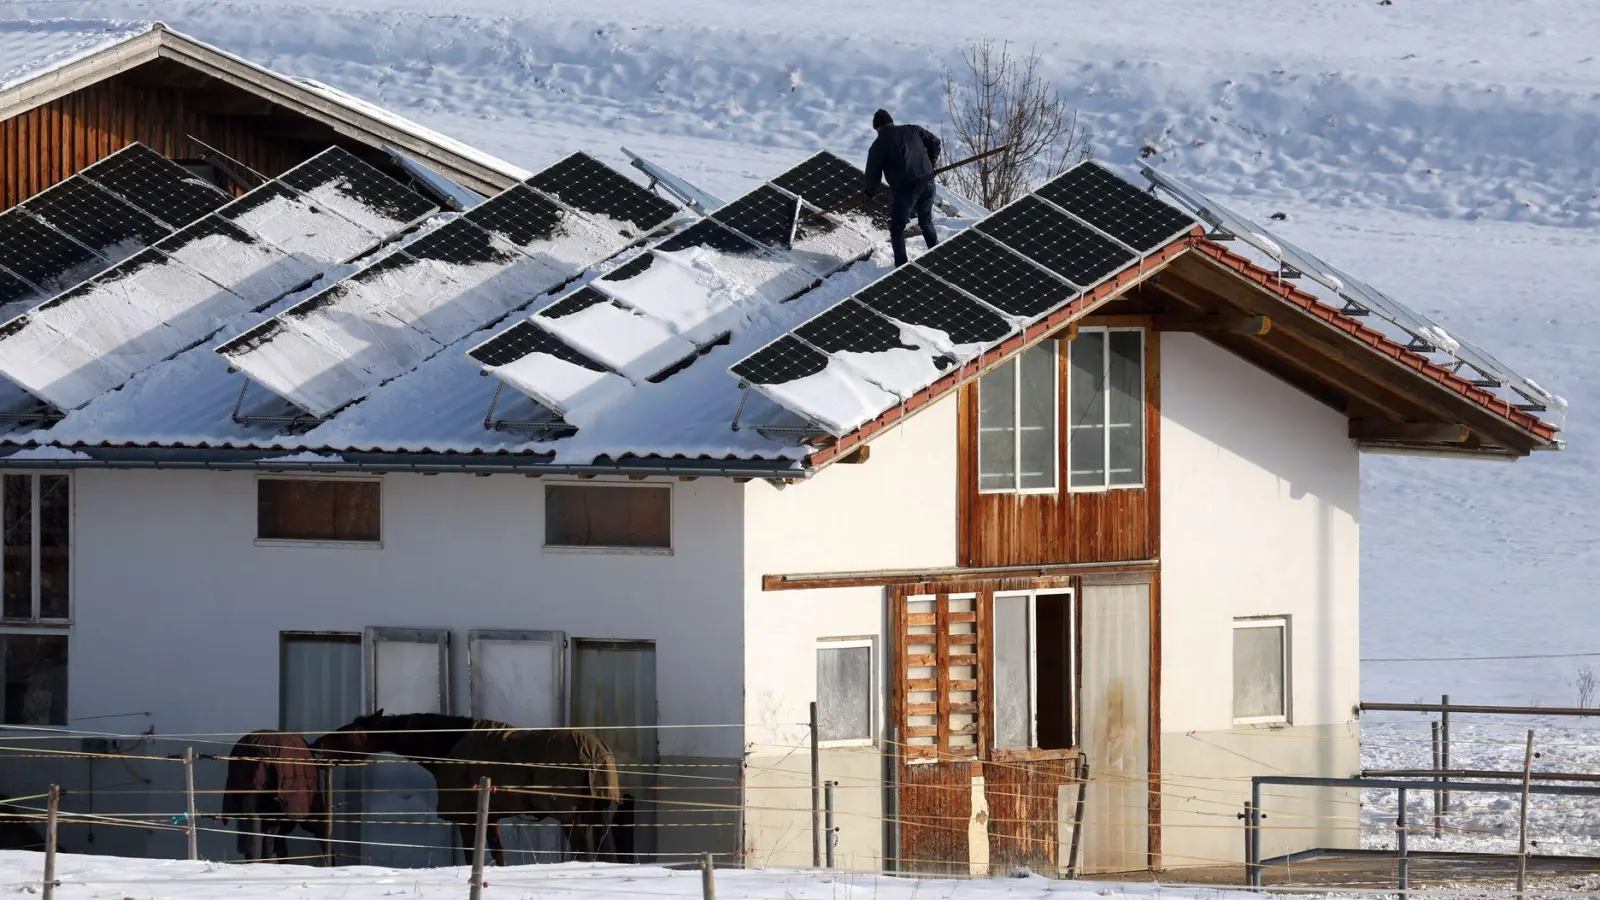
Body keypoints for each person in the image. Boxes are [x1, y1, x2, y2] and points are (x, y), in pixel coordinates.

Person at [862, 108, 942, 267]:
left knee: (897, 228)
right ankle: (938, 255)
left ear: (878, 128)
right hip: (927, 181)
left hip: (906, 189)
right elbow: (935, 142)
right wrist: (930, 166)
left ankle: (901, 266)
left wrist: (868, 192)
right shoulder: (912, 129)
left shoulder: (878, 145)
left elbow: (873, 174)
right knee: (926, 221)